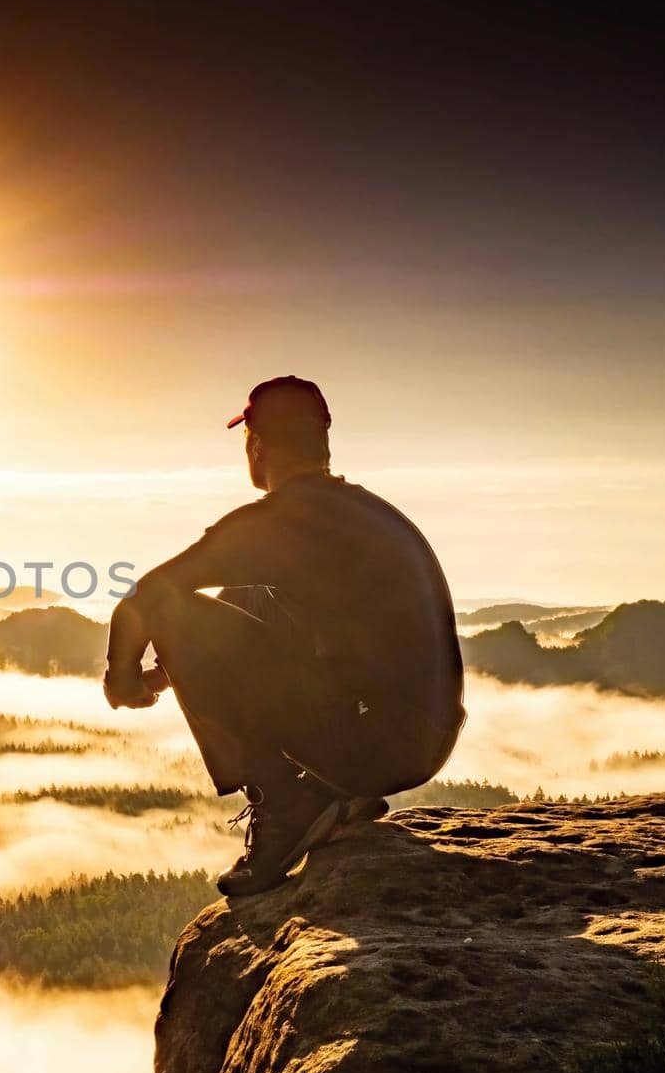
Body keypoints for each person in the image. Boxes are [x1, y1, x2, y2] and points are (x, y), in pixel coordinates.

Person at [103, 377, 465, 896]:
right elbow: (258, 612)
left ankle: (288, 802)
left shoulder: (279, 522)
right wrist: (168, 672)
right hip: (427, 735)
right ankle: (337, 796)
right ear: (323, 440)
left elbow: (143, 601)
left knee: (169, 605)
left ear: (257, 445)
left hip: (374, 739)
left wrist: (122, 681)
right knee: (247, 592)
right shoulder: (367, 513)